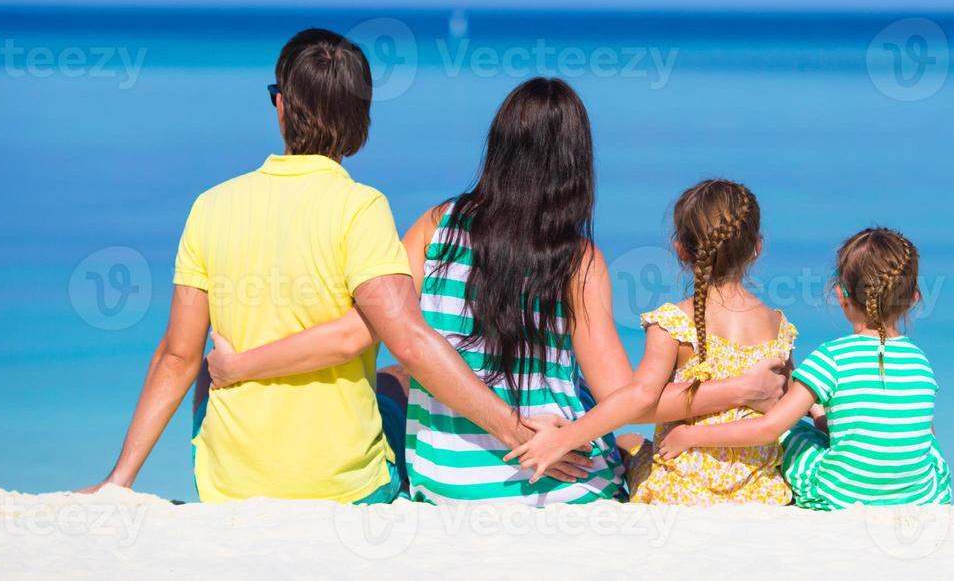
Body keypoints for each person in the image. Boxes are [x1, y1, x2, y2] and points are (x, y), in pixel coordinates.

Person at [205, 79, 787, 504]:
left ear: (499, 148)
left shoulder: (435, 228)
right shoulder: (579, 260)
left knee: (394, 379)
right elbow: (627, 394)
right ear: (576, 166)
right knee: (623, 428)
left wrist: (241, 365)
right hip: (568, 481)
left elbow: (370, 329)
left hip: (450, 486)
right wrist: (739, 390)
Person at [81, 29, 591, 503]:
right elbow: (409, 340)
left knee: (198, 353)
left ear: (280, 106)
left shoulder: (211, 206)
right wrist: (513, 429)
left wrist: (117, 480)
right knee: (400, 381)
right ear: (362, 124)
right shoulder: (361, 209)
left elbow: (175, 357)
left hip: (228, 486)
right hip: (345, 487)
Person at [506, 180, 798, 508]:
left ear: (681, 250)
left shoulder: (673, 322)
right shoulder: (779, 326)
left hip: (682, 488)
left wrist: (564, 439)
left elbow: (642, 395)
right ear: (757, 248)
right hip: (759, 490)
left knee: (628, 440)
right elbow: (784, 404)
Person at [655, 228, 952, 509]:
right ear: (914, 298)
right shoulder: (920, 361)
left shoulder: (832, 358)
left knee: (793, 431)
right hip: (920, 494)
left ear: (840, 295)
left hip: (842, 495)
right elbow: (916, 430)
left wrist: (690, 436)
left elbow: (769, 427)